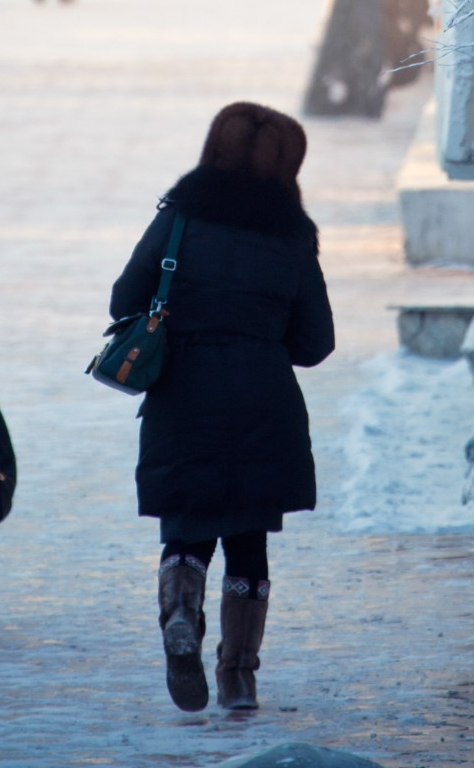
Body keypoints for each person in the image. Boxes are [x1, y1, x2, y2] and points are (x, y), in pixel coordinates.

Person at [109, 102, 334, 713]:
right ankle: (238, 675)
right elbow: (317, 344)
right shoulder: (292, 238)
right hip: (264, 400)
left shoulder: (180, 219)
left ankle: (181, 609)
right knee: (248, 536)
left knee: (187, 523)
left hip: (183, 392)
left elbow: (123, 298)